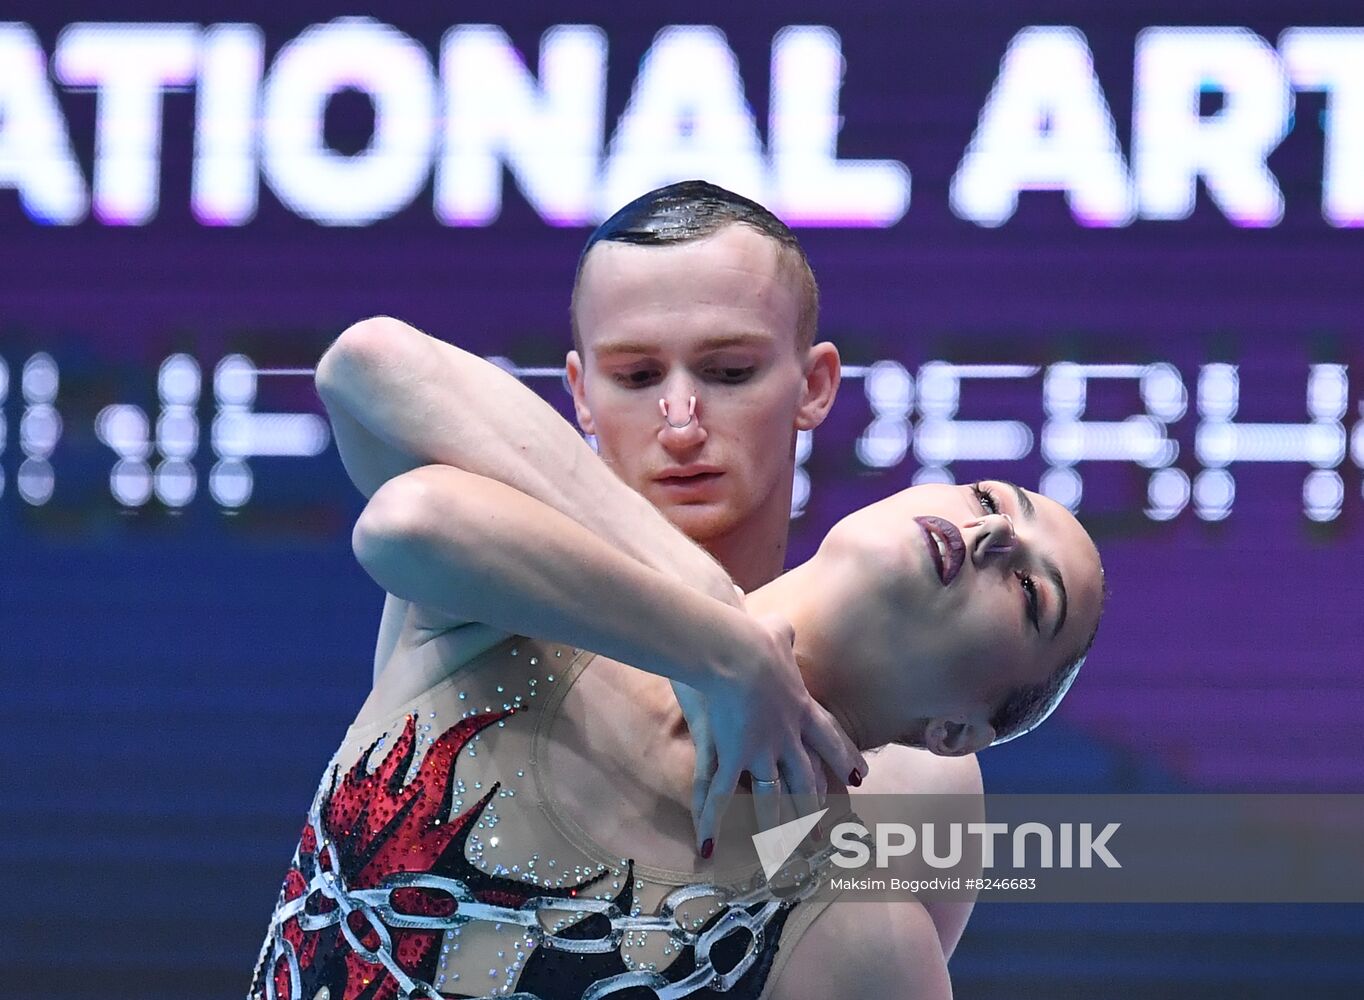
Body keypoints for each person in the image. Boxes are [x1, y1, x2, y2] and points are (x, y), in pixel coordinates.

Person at [250, 342, 1104, 997]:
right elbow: (395, 483)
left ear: (956, 731)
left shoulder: (862, 945)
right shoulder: (541, 612)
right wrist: (716, 632)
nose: (993, 535)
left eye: (1030, 593)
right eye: (991, 501)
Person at [311, 181, 986, 957]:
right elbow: (364, 364)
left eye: (729, 372)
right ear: (581, 396)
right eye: (636, 377)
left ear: (815, 385)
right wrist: (715, 623)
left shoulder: (909, 780)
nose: (681, 421)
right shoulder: (494, 584)